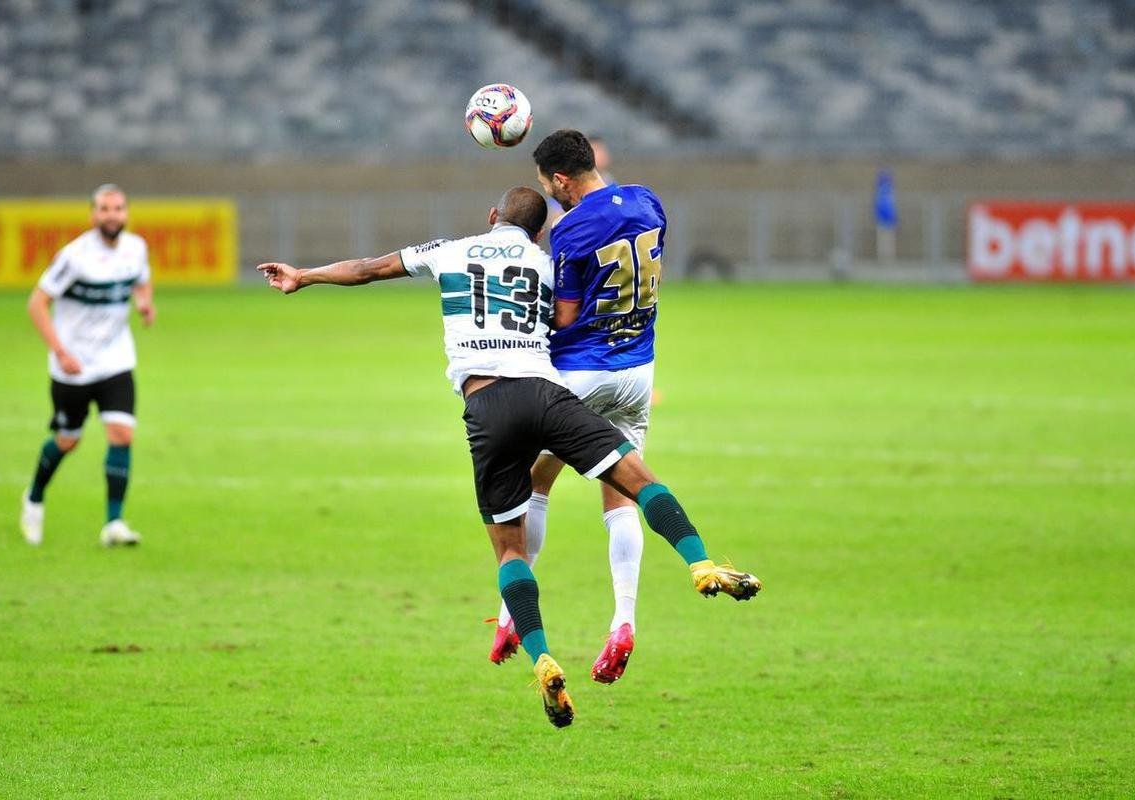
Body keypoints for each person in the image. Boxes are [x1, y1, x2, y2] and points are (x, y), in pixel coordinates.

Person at [257, 187, 760, 729]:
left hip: (486, 409)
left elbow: (368, 269)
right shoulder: (546, 263)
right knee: (637, 479)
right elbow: (570, 318)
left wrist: (303, 275)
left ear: (492, 216)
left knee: (510, 549)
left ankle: (541, 657)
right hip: (546, 395)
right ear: (539, 231)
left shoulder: (449, 250)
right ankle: (700, 563)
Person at [487, 130, 663, 685]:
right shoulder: (648, 202)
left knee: (534, 485)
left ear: (561, 180)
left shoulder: (570, 228)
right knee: (622, 494)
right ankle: (624, 619)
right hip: (638, 371)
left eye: (548, 185)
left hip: (581, 372)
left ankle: (512, 617)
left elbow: (564, 317)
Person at [19, 184, 155, 547]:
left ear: (126, 213)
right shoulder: (74, 256)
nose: (112, 215)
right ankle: (34, 497)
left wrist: (144, 304)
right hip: (73, 366)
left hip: (116, 360)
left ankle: (114, 523)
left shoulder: (136, 248)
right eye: (105, 209)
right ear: (93, 214)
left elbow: (142, 283)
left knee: (122, 434)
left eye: (118, 208)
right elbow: (36, 303)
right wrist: (60, 352)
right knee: (67, 440)